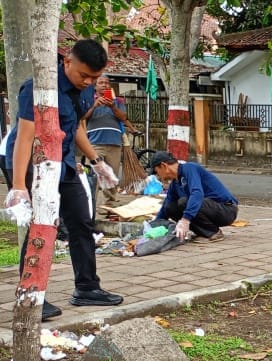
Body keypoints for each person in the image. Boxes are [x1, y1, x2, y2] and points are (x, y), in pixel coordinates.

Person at [4, 39, 123, 320]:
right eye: (84, 75)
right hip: (32, 162)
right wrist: (19, 185)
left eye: (95, 77)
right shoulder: (38, 88)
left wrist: (97, 162)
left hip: (64, 163)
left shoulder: (85, 91)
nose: (89, 82)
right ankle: (31, 295)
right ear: (66, 62)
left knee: (82, 221)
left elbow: (77, 127)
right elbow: (25, 137)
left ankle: (87, 288)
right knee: (41, 225)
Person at [149, 152, 239, 243]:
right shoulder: (175, 183)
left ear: (164, 166)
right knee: (170, 207)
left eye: (157, 172)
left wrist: (185, 220)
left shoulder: (189, 168)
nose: (158, 176)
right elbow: (165, 208)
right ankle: (204, 232)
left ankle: (213, 232)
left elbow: (197, 194)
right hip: (208, 209)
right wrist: (153, 228)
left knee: (184, 202)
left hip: (227, 210)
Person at [80, 74, 139, 207]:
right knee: (94, 175)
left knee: (111, 175)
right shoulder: (89, 99)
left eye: (107, 83)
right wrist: (94, 105)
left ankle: (110, 205)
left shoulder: (117, 101)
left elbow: (123, 117)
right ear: (95, 86)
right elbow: (83, 117)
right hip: (94, 143)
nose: (104, 85)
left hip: (114, 143)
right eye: (101, 83)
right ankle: (90, 204)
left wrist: (113, 106)